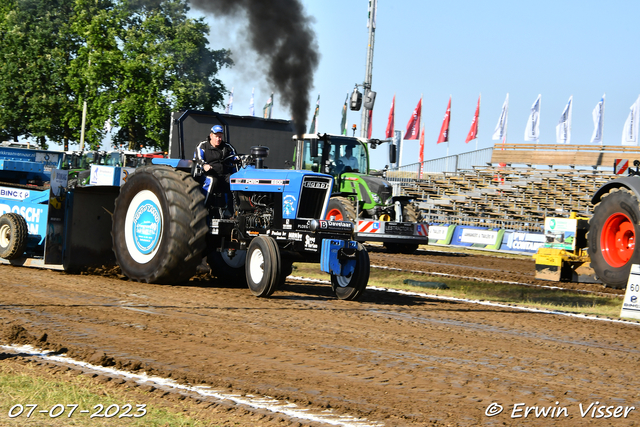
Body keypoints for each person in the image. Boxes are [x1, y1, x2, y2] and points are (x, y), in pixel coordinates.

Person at [194, 125, 237, 204]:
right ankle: (203, 206)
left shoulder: (227, 147)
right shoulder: (202, 145)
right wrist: (204, 165)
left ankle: (233, 211)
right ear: (211, 136)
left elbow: (235, 157)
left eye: (220, 137)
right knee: (212, 180)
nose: (218, 139)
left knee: (235, 180)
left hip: (224, 175)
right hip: (207, 174)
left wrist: (239, 159)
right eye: (216, 136)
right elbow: (198, 159)